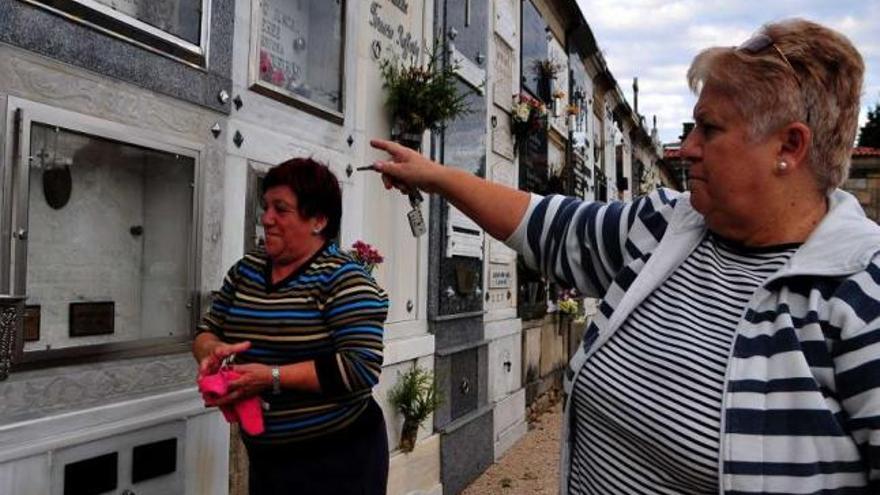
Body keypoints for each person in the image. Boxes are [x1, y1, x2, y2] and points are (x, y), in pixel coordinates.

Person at [370, 18, 880, 495]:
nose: (687, 149)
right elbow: (544, 223)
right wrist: (437, 175)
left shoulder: (860, 294)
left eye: (709, 129)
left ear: (788, 145)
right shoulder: (665, 226)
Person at [192, 158, 390, 494]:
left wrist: (271, 377)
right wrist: (211, 352)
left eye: (280, 209)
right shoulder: (247, 269)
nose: (266, 218)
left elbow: (360, 367)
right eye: (266, 207)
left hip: (339, 460)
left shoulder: (345, 278)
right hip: (269, 457)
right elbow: (207, 329)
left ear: (318, 220)